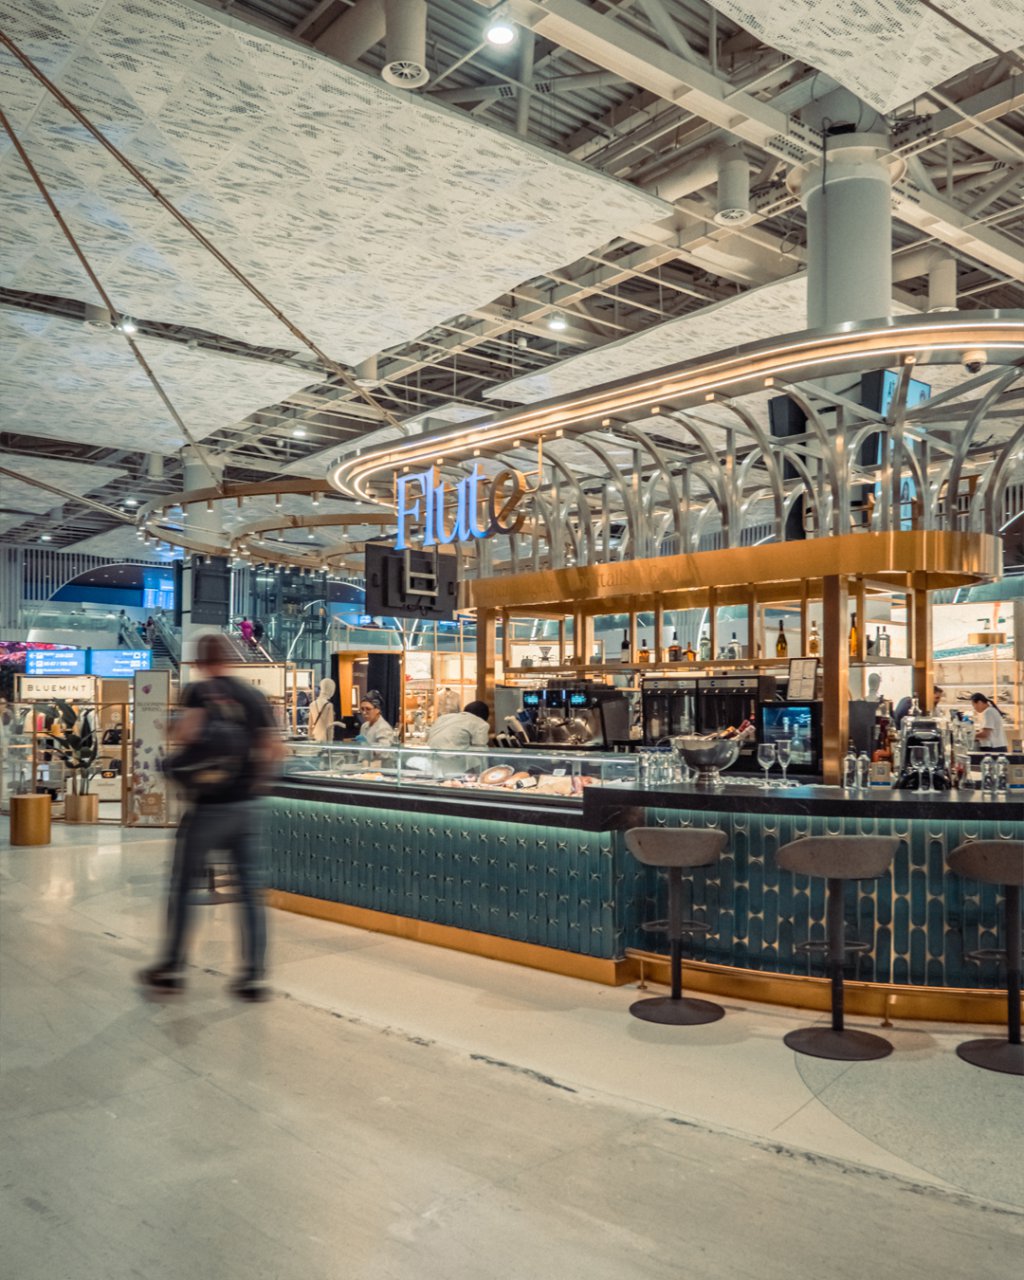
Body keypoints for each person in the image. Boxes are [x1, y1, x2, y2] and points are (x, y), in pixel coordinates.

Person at [138, 633, 284, 1000]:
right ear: (230, 658)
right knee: (250, 892)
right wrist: (254, 787)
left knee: (183, 886)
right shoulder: (253, 696)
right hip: (248, 808)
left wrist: (173, 728)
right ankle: (252, 977)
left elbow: (186, 734)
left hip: (208, 808)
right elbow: (275, 750)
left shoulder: (199, 692)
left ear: (199, 663)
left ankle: (172, 968)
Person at [308, 677, 336, 743]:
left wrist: (309, 738)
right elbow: (330, 727)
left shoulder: (312, 704)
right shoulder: (329, 705)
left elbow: (310, 726)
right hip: (324, 737)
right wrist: (330, 741)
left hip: (314, 736)